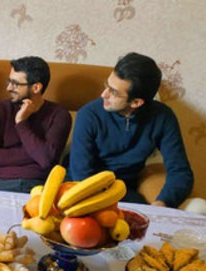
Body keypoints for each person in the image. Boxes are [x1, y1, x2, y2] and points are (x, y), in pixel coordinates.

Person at [69, 52, 193, 208]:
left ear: (136, 102)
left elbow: (181, 172)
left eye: (113, 92)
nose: (103, 94)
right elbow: (81, 174)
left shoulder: (163, 117)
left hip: (124, 190)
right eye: (107, 85)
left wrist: (162, 203)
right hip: (82, 188)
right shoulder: (88, 114)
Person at [0, 56, 71, 193]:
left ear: (36, 87)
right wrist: (37, 154)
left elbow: (47, 159)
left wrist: (21, 123)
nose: (8, 87)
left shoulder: (59, 115)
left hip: (38, 187)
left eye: (15, 83)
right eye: (9, 81)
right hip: (0, 184)